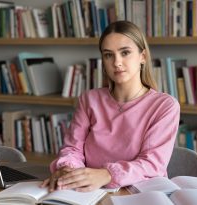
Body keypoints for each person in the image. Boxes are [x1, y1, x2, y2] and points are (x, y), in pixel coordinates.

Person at [41, 21, 180, 192]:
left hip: (139, 194)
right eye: (108, 55)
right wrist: (68, 170)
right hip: (88, 192)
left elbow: (152, 164)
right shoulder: (89, 99)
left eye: (125, 53)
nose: (117, 62)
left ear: (142, 57)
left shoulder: (164, 106)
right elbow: (72, 148)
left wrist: (107, 174)